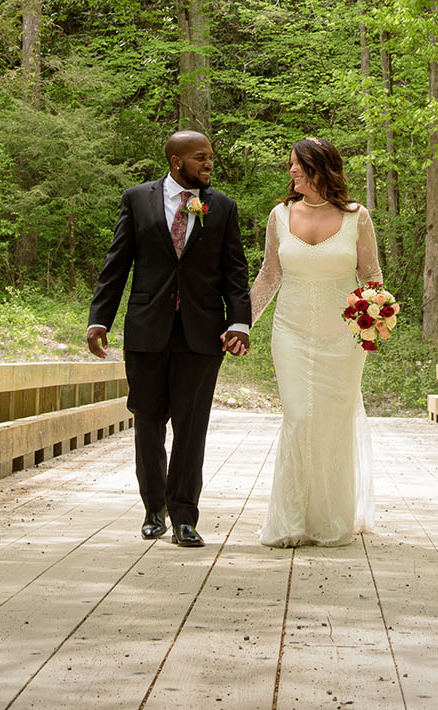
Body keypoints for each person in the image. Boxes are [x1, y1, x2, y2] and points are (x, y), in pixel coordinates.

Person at [88, 130, 252, 547]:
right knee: (148, 421)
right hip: (147, 330)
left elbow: (235, 272)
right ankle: (152, 510)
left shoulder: (223, 207)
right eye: (201, 157)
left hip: (201, 335)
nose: (209, 164)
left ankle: (184, 516)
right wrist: (99, 320)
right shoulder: (137, 199)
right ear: (177, 161)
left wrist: (239, 323)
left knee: (192, 426)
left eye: (210, 157)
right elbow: (117, 263)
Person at [247, 137, 385, 547]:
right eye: (290, 164)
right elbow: (270, 275)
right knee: (299, 416)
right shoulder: (279, 214)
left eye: (297, 165)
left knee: (332, 422)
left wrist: (373, 318)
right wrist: (242, 324)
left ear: (320, 169)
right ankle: (289, 521)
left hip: (343, 339)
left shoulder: (356, 217)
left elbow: (372, 275)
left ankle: (329, 520)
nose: (290, 171)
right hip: (290, 330)